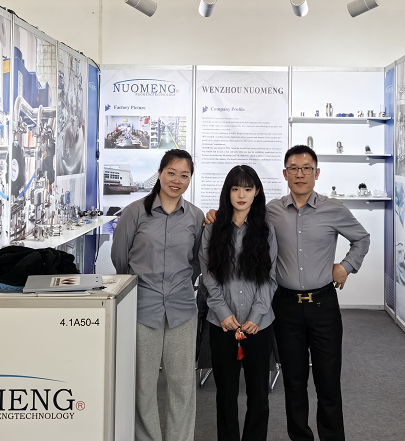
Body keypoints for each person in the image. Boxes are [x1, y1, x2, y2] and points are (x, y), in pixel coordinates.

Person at [205, 145, 370, 441]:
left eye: (307, 168)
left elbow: (362, 238)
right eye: (294, 169)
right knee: (294, 382)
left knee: (328, 382)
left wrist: (346, 266)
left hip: (323, 304)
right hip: (286, 307)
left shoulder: (334, 209)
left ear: (317, 173)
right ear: (285, 174)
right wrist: (214, 214)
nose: (300, 174)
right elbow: (242, 214)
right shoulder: (271, 211)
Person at [111, 149, 205, 441]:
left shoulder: (195, 217)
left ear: (190, 178)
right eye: (171, 173)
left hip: (182, 309)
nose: (177, 180)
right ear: (160, 173)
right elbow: (120, 258)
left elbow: (197, 261)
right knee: (143, 384)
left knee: (182, 385)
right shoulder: (134, 212)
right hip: (143, 308)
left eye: (184, 175)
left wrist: (180, 282)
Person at [199, 165, 278, 441]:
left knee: (259, 395)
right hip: (222, 324)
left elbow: (270, 278)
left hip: (259, 325)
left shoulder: (267, 230)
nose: (241, 195)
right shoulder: (212, 229)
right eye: (235, 189)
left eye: (247, 188)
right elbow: (208, 277)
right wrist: (222, 312)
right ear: (227, 192)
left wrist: (257, 315)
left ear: (257, 191)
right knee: (226, 394)